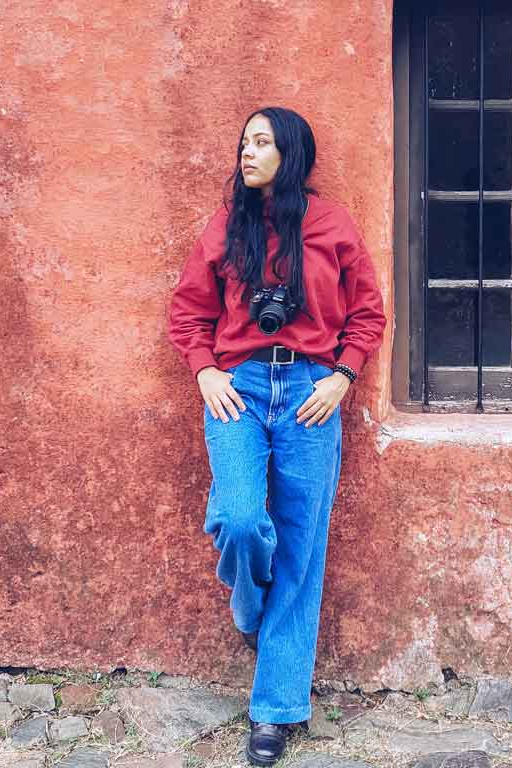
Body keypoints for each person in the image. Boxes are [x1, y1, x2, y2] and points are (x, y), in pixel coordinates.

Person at [166, 106, 386, 766]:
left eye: (262, 142)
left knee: (301, 547)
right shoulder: (226, 227)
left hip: (311, 393)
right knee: (237, 518)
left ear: (291, 154)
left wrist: (342, 378)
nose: (247, 152)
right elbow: (188, 310)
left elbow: (369, 312)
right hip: (239, 389)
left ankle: (275, 709)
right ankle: (248, 603)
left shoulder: (331, 225)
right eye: (244, 142)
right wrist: (204, 372)